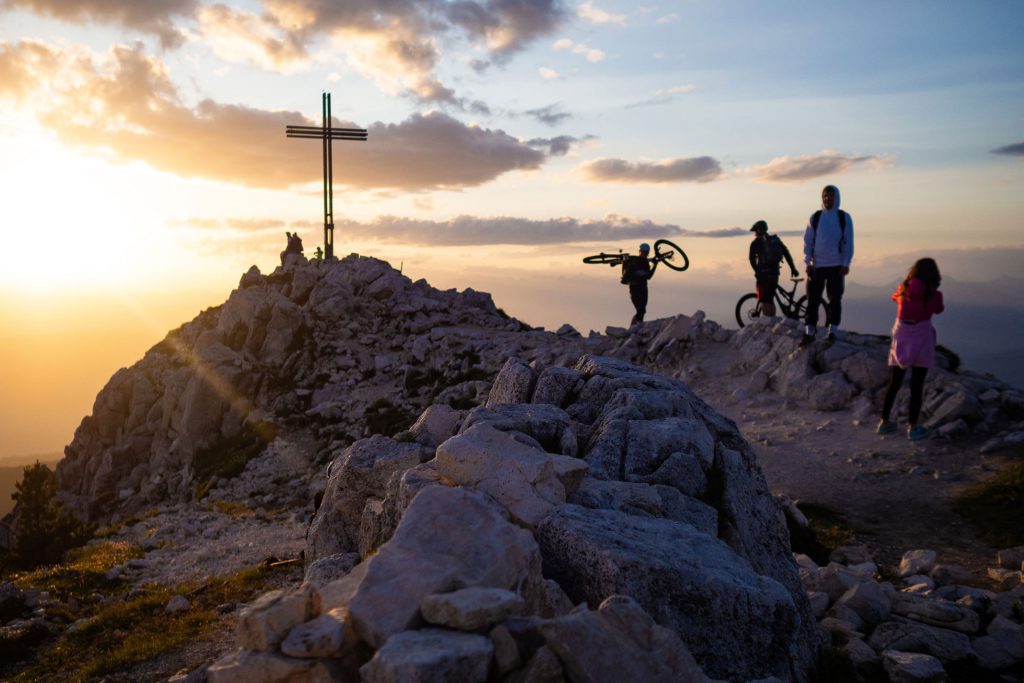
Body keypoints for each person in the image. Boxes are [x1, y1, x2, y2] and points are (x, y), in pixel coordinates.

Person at [877, 258, 944, 441]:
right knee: (917, 386)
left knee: (894, 383)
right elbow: (939, 310)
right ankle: (913, 428)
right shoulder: (934, 294)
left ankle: (884, 422)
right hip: (922, 338)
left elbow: (893, 298)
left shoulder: (903, 289)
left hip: (902, 337)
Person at [800, 185, 854, 346]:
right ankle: (810, 331)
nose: (827, 199)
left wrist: (845, 263)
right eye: (825, 196)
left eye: (830, 196)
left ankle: (832, 330)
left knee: (835, 299)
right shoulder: (815, 217)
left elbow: (848, 242)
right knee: (812, 299)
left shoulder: (843, 217)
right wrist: (807, 261)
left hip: (836, 265)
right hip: (817, 265)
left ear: (836, 197)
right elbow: (808, 241)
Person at [748, 220, 798, 317]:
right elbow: (786, 253)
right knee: (770, 296)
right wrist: (793, 268)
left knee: (765, 298)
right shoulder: (775, 240)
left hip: (763, 274)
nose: (754, 234)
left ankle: (769, 321)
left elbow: (752, 260)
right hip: (775, 272)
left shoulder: (755, 243)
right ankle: (772, 319)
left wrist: (757, 271)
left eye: (755, 231)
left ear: (758, 231)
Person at [621, 243, 658, 326]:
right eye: (643, 252)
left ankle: (638, 326)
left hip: (643, 288)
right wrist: (623, 260)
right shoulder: (634, 259)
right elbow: (624, 262)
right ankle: (633, 328)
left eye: (646, 252)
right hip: (635, 287)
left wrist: (655, 265)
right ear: (640, 251)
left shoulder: (646, 263)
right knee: (640, 310)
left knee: (643, 311)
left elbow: (649, 276)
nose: (644, 254)